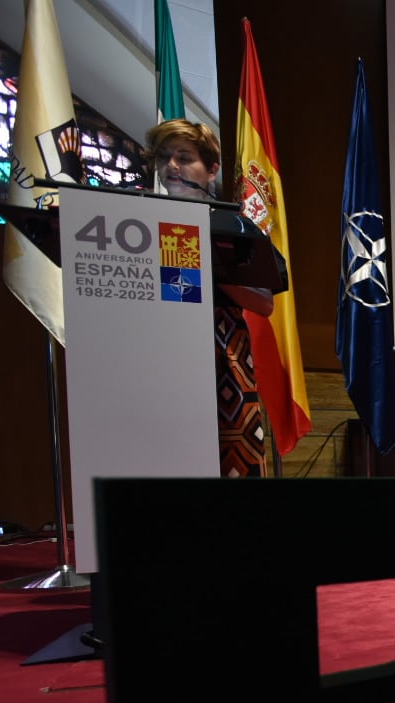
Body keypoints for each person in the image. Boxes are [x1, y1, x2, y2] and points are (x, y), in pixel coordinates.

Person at [145, 120, 274, 478]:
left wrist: (203, 260)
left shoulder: (232, 223)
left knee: (230, 462)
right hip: (157, 357)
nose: (171, 166)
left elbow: (265, 303)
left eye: (184, 158)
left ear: (211, 169)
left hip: (221, 358)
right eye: (164, 157)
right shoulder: (138, 222)